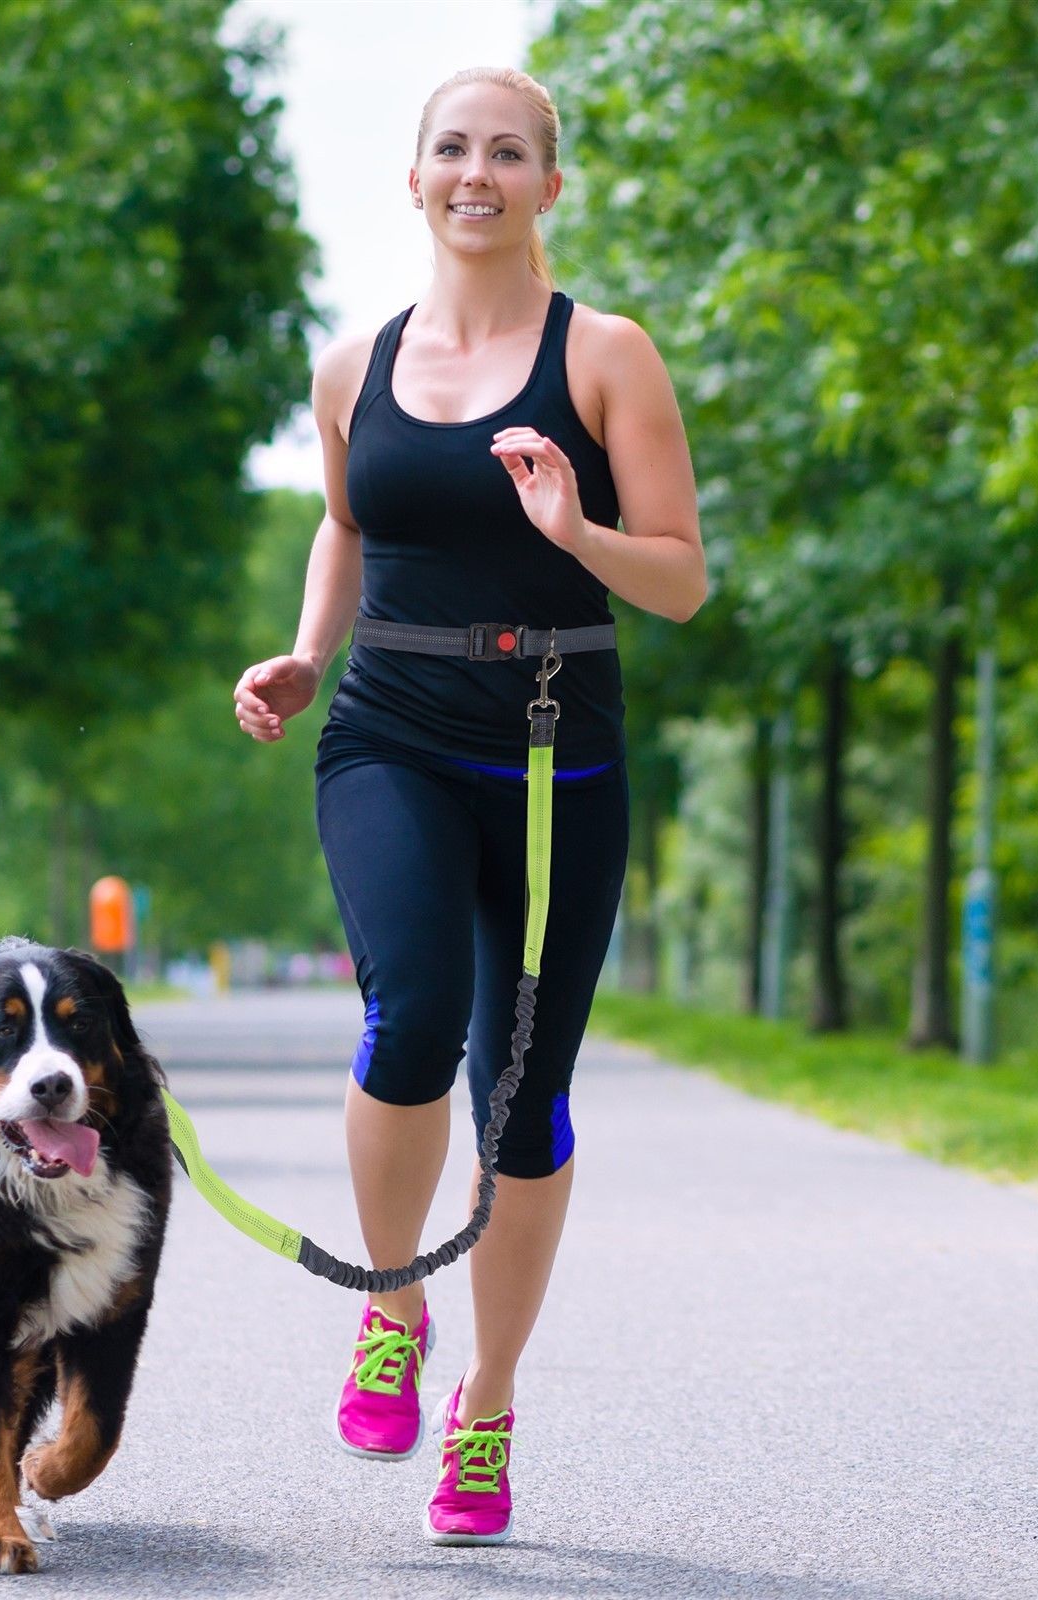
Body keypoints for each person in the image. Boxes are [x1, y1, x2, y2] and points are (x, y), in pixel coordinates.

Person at [233, 66, 704, 1546]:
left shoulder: (609, 355)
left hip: (561, 747)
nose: (478, 172)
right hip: (390, 729)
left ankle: (487, 1403)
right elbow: (347, 523)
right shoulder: (350, 364)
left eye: (509, 152)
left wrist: (577, 528)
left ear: (548, 186)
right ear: (417, 177)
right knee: (410, 1017)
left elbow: (683, 575)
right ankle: (394, 1313)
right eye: (454, 148)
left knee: (522, 1094)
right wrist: (309, 654)